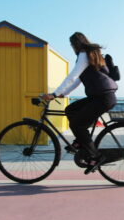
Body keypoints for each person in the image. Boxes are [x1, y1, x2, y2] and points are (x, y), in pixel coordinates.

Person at [42, 32, 118, 173]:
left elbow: (72, 76)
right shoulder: (88, 55)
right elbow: (77, 80)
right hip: (99, 96)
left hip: (103, 98)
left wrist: (54, 94)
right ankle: (81, 141)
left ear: (75, 44)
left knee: (76, 124)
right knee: (70, 110)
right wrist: (62, 94)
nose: (72, 48)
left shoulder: (84, 54)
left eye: (71, 45)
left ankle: (95, 156)